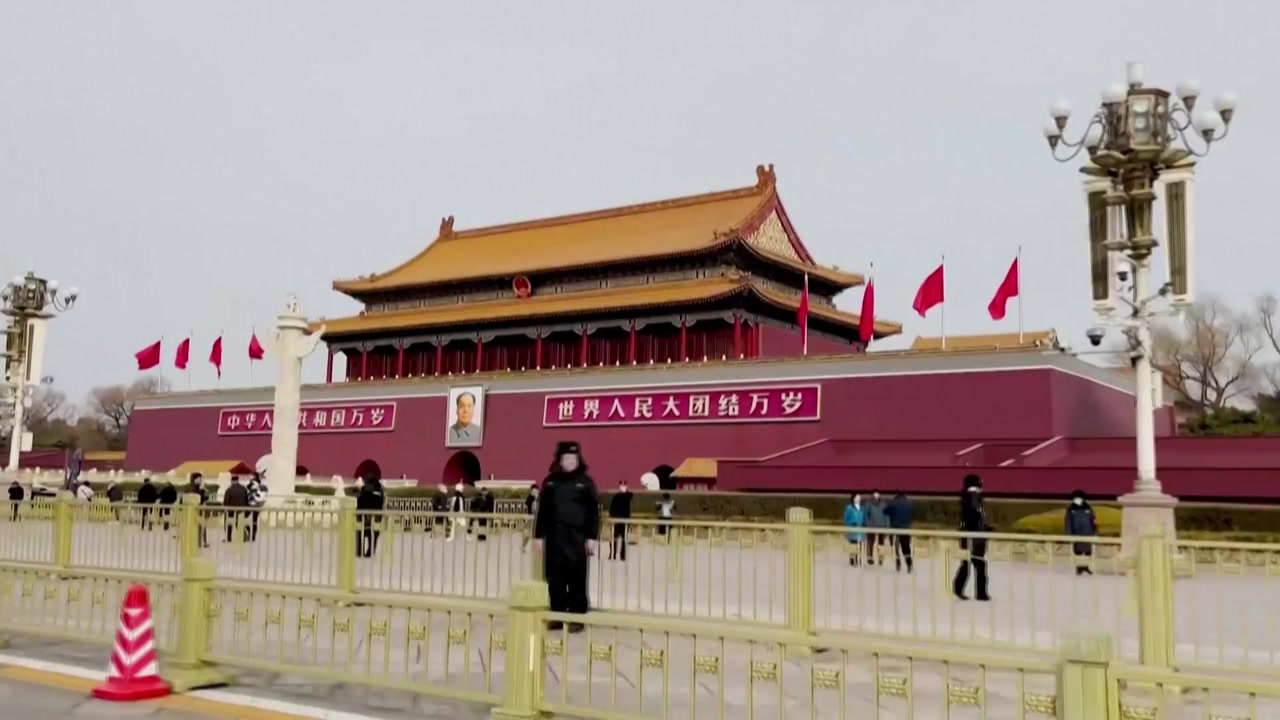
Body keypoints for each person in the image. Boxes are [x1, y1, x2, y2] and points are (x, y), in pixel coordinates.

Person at [535, 441, 599, 632]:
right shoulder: (550, 482)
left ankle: (577, 618)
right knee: (555, 578)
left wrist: (592, 537)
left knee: (577, 578)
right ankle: (557, 616)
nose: (570, 462)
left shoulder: (585, 483)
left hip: (577, 537)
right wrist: (538, 536)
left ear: (578, 460)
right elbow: (542, 511)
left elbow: (593, 512)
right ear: (559, 460)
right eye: (566, 458)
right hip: (554, 537)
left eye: (573, 458)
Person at [953, 474, 992, 601]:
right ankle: (980, 592)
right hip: (974, 534)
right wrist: (982, 527)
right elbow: (975, 514)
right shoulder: (973, 495)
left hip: (970, 533)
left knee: (969, 561)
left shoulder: (968, 496)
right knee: (976, 561)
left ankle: (960, 588)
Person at [1065, 489, 1098, 576]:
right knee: (1078, 551)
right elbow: (1068, 522)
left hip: (1088, 533)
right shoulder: (1071, 509)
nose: (1077, 499)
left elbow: (1093, 520)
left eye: (1079, 497)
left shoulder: (1088, 508)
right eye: (1076, 498)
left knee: (1088, 552)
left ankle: (1085, 566)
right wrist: (1069, 534)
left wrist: (1095, 532)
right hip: (1076, 533)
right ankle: (1079, 567)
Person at [356, 472, 386, 557]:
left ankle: (359, 551)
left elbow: (358, 505)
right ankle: (370, 552)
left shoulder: (362, 495)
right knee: (374, 534)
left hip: (362, 519)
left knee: (360, 533)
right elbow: (381, 506)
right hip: (374, 520)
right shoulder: (379, 496)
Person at [886, 491, 915, 573]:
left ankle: (898, 563)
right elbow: (912, 513)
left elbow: (885, 511)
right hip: (906, 528)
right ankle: (909, 563)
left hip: (896, 528)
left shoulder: (894, 504)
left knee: (896, 547)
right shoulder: (909, 504)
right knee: (906, 547)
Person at [608, 481, 633, 561]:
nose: (623, 487)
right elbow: (611, 509)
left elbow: (630, 495)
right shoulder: (616, 497)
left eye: (624, 485)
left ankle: (622, 555)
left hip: (624, 521)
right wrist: (612, 518)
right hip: (617, 520)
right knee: (614, 539)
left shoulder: (627, 496)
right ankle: (613, 554)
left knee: (623, 539)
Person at [222, 475, 249, 543]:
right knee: (240, 523)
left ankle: (229, 537)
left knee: (229, 523)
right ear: (238, 480)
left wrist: (225, 508)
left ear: (232, 481)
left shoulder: (229, 490)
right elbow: (246, 499)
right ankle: (243, 536)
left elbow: (226, 500)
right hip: (242, 508)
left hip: (231, 508)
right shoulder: (243, 489)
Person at [865, 490, 889, 566]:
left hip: (882, 526)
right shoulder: (868, 504)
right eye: (874, 495)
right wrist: (868, 525)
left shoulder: (883, 505)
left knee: (881, 542)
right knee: (870, 542)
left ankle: (880, 557)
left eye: (877, 495)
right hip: (871, 527)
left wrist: (887, 526)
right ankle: (869, 557)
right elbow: (866, 516)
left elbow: (887, 516)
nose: (876, 497)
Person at [843, 494, 866, 566]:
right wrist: (849, 525)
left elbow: (864, 517)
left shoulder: (863, 508)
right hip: (852, 529)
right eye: (856, 498)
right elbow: (846, 519)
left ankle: (859, 558)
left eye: (859, 498)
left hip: (861, 529)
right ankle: (852, 559)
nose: (858, 499)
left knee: (860, 544)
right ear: (853, 499)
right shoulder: (849, 508)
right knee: (853, 544)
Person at [190, 473, 210, 548]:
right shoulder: (193, 489)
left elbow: (205, 498)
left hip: (199, 510)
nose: (200, 480)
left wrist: (205, 492)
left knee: (201, 526)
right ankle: (200, 541)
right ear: (194, 479)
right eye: (199, 479)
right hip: (195, 510)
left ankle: (202, 541)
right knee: (200, 526)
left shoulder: (201, 489)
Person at [246, 473, 266, 542]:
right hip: (256, 506)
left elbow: (249, 490)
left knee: (246, 519)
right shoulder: (259, 486)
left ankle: (251, 533)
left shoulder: (254, 484)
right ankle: (253, 535)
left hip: (251, 505)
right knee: (254, 521)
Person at [521, 484, 539, 553]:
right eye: (532, 491)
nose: (533, 492)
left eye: (535, 491)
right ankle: (523, 546)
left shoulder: (538, 498)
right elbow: (528, 508)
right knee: (528, 533)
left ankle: (536, 550)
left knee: (534, 534)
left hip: (536, 518)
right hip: (531, 518)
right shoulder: (531, 499)